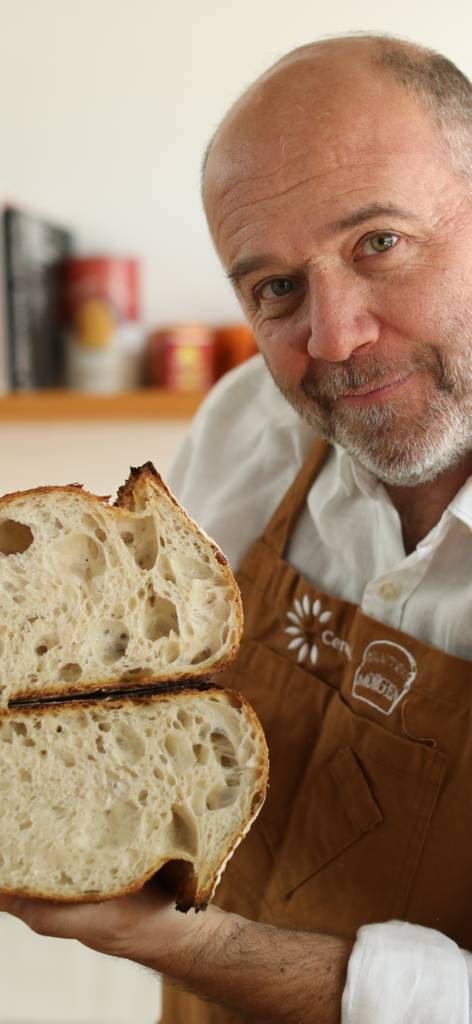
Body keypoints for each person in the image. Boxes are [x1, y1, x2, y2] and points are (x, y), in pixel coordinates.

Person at [3, 31, 472, 1024]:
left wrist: (181, 940)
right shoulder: (247, 424)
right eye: (275, 289)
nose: (334, 337)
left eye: (377, 242)